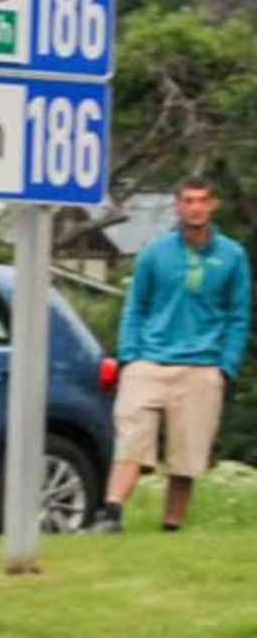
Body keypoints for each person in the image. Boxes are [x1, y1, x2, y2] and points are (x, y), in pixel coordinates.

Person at [97, 175, 250, 533]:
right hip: (149, 361)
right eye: (188, 201)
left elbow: (238, 314)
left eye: (202, 200)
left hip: (202, 366)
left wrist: (225, 366)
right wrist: (129, 356)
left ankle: (171, 527)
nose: (195, 208)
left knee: (187, 456)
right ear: (177, 206)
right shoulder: (156, 251)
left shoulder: (232, 256)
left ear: (212, 206)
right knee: (131, 438)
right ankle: (111, 513)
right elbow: (136, 305)